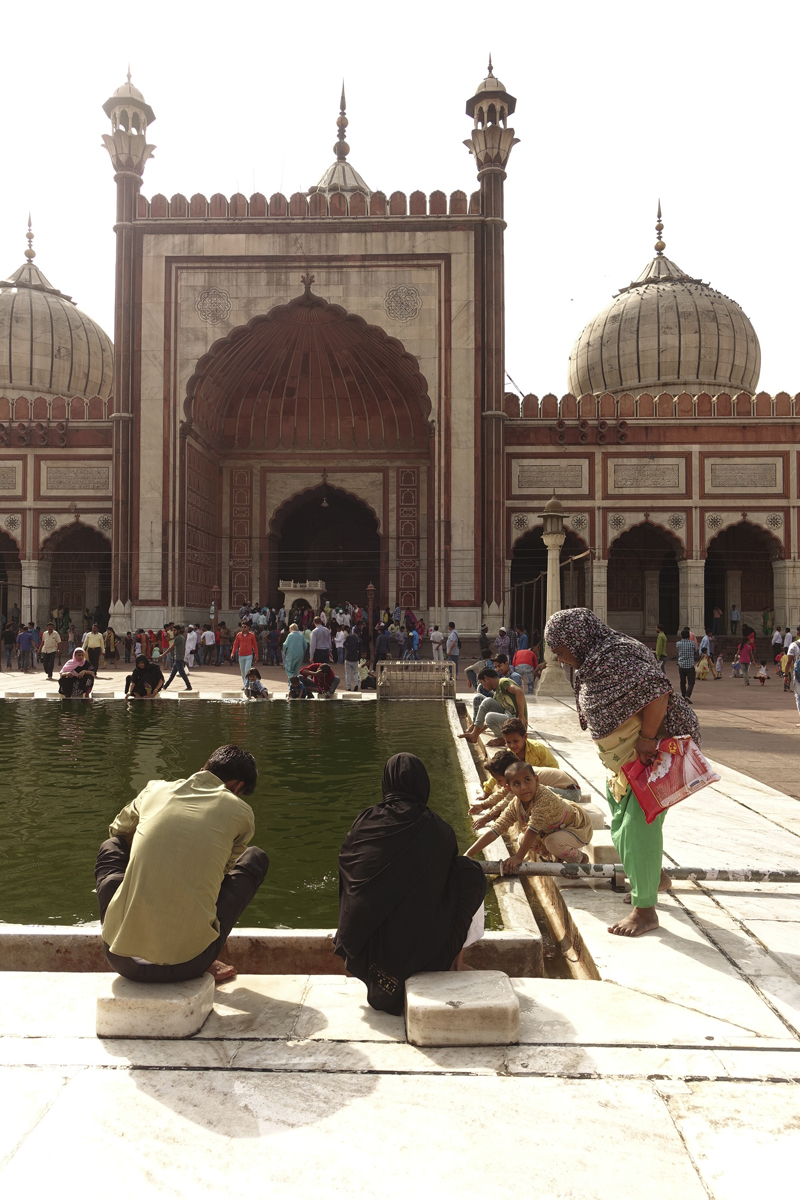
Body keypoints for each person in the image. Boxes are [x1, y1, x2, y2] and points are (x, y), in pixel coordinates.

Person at [544, 607, 700, 938]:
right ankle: (654, 877)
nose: (560, 658)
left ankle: (645, 912)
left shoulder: (614, 655)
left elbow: (658, 690)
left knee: (636, 828)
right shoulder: (596, 658)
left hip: (651, 756)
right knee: (620, 825)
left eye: (560, 650)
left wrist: (646, 739)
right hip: (624, 764)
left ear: (577, 640)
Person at [95, 744, 269, 984]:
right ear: (238, 787)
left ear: (202, 770)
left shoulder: (155, 789)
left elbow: (117, 830)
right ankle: (199, 944)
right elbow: (224, 872)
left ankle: (128, 930)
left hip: (121, 960)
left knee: (111, 846)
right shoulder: (241, 812)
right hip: (191, 963)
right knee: (255, 857)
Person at [334, 753, 486, 1014]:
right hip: (428, 957)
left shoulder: (365, 822)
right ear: (422, 784)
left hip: (365, 952)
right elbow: (446, 885)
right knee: (470, 872)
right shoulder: (440, 830)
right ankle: (456, 964)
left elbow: (350, 878)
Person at [466, 761, 593, 870]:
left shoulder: (544, 797)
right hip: (554, 830)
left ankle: (580, 859)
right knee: (523, 839)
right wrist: (468, 855)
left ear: (536, 780)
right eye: (517, 784)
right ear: (509, 789)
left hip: (575, 828)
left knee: (551, 842)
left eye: (527, 780)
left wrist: (518, 857)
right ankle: (559, 856)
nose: (524, 787)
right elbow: (496, 829)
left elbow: (532, 830)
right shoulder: (516, 805)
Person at [459, 666, 527, 745]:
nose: (483, 687)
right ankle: (474, 733)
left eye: (482, 683)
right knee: (487, 701)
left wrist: (521, 716)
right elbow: (489, 723)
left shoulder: (503, 681)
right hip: (508, 717)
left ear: (486, 678)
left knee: (489, 716)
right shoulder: (496, 693)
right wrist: (477, 734)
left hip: (518, 722)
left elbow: (519, 692)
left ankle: (503, 739)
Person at [162, 625, 192, 691]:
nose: (173, 632)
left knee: (182, 674)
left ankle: (189, 686)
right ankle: (165, 686)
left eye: (175, 630)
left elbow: (171, 647)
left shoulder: (178, 638)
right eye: (173, 630)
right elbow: (183, 649)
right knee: (172, 674)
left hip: (178, 658)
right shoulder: (182, 638)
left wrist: (163, 655)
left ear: (178, 631)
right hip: (179, 658)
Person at [675, 627, 698, 703]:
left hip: (681, 665)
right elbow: (695, 650)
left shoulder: (678, 644)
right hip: (690, 665)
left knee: (682, 682)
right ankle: (687, 695)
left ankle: (684, 695)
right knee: (691, 682)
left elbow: (678, 650)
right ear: (689, 636)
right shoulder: (692, 643)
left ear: (681, 636)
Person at [232, 622, 258, 688]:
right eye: (242, 627)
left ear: (248, 627)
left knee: (247, 670)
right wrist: (233, 653)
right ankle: (245, 685)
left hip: (249, 655)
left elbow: (255, 645)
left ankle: (247, 685)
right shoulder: (239, 635)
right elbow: (235, 644)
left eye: (245, 627)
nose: (243, 628)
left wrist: (256, 655)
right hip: (241, 655)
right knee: (243, 671)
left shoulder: (252, 635)